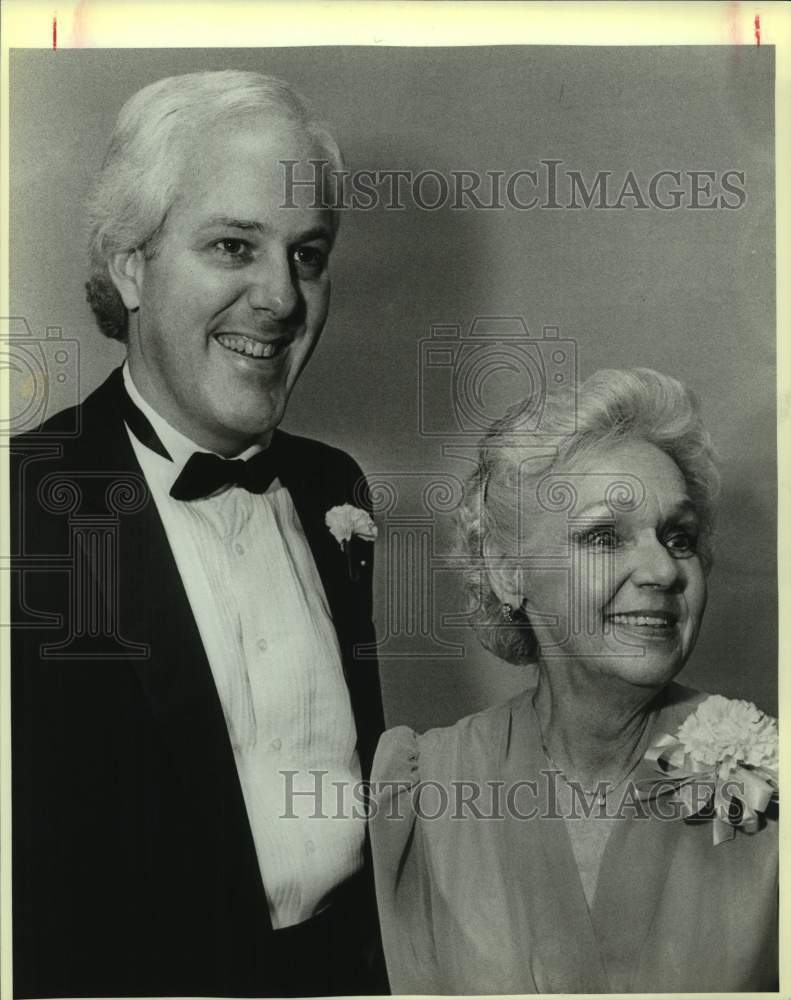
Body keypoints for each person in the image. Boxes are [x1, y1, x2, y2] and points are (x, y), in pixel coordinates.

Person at [11, 70, 385, 998]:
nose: (280, 299)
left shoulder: (334, 488)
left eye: (307, 254)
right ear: (131, 264)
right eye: (232, 245)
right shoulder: (22, 507)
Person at [370, 368, 777, 994]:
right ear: (509, 575)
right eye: (604, 536)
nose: (662, 569)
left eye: (680, 537)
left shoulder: (768, 779)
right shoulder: (426, 785)